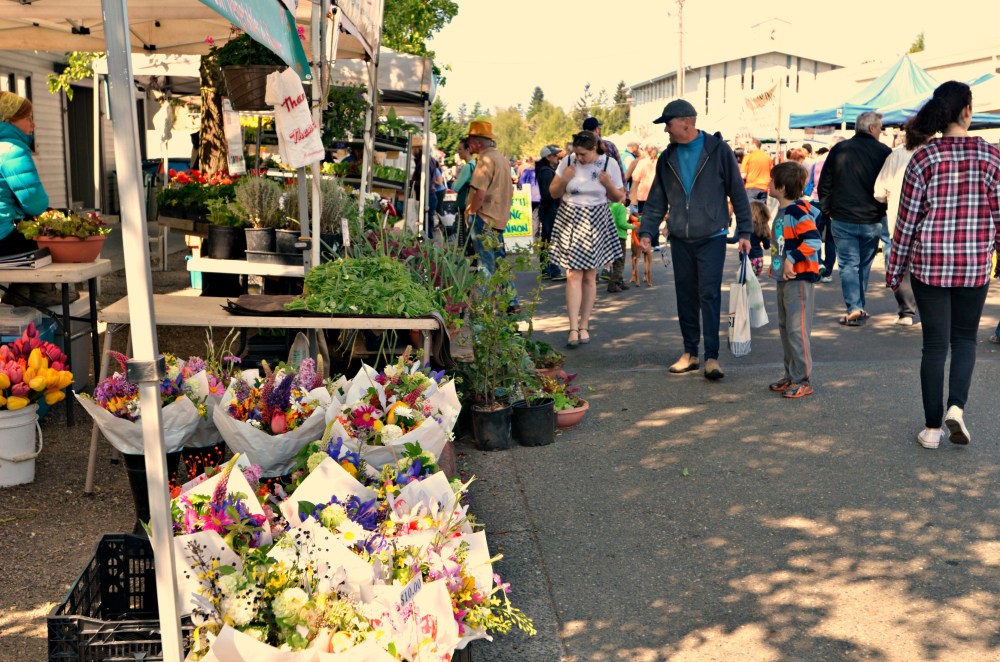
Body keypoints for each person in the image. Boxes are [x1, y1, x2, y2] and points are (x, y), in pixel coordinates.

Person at [886, 81, 1000, 450]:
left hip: (929, 266)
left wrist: (894, 270)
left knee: (934, 345)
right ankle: (956, 408)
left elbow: (906, 222)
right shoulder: (991, 156)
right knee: (965, 339)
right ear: (967, 111)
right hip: (973, 266)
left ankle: (932, 429)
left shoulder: (923, 157)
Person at [638, 99, 752, 379]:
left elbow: (737, 191)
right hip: (680, 239)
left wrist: (746, 231)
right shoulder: (667, 158)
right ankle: (690, 353)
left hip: (712, 236)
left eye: (668, 123)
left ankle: (712, 357)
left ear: (686, 122)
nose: (666, 129)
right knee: (685, 296)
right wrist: (646, 232)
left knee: (709, 295)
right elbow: (655, 201)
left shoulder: (717, 151)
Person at [548, 130, 625, 348]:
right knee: (573, 275)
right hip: (571, 217)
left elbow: (620, 197)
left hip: (597, 218)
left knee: (590, 276)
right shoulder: (568, 161)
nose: (579, 158)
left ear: (594, 149)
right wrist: (564, 179)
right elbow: (553, 193)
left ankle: (584, 325)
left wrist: (608, 184)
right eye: (576, 153)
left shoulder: (609, 163)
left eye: (583, 154)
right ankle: (572, 328)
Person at [818, 111, 890, 326]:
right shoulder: (885, 152)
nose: (881, 131)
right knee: (863, 265)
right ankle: (858, 307)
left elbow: (825, 183)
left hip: (842, 217)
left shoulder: (839, 149)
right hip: (872, 219)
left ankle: (854, 307)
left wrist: (827, 210)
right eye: (880, 127)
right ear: (871, 128)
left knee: (849, 265)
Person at [0, 92, 69, 306]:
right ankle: (43, 289)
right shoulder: (12, 150)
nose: (33, 124)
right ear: (9, 120)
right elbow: (35, 204)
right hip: (3, 239)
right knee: (62, 222)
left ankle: (19, 291)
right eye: (28, 118)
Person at [766, 162, 822, 399]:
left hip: (798, 278)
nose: (767, 185)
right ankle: (792, 375)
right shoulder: (783, 211)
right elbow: (781, 241)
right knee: (785, 328)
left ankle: (802, 379)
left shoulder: (797, 211)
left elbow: (813, 240)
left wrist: (791, 259)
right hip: (785, 277)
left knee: (797, 330)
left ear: (780, 186)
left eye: (771, 181)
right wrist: (777, 261)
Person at [873, 122, 927, 326]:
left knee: (903, 266)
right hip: (930, 224)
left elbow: (879, 191)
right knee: (926, 266)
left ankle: (906, 311)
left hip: (899, 219)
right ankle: (926, 310)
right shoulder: (935, 155)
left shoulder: (895, 156)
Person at [465, 121, 517, 307]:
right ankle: (511, 301)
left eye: (470, 140)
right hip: (499, 217)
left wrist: (471, 212)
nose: (468, 144)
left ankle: (485, 304)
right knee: (500, 261)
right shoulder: (501, 159)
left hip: (484, 216)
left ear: (477, 142)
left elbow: (480, 193)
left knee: (486, 263)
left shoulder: (485, 160)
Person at [535, 145, 564, 280]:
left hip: (546, 208)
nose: (557, 157)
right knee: (552, 239)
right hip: (549, 209)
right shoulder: (547, 172)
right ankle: (553, 269)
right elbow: (549, 193)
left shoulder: (544, 170)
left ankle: (546, 269)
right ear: (548, 157)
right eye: (554, 155)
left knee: (546, 240)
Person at [728, 201, 771, 277]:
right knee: (752, 283)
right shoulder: (764, 227)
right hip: (758, 260)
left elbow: (734, 240)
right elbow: (766, 246)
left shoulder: (743, 225)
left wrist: (722, 238)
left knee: (744, 284)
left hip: (745, 259)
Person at [582, 117, 626, 185]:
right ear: (597, 130)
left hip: (586, 189)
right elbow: (620, 173)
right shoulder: (610, 146)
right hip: (610, 189)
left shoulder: (579, 148)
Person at [453, 139, 476, 251]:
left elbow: (456, 187)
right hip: (473, 204)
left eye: (460, 149)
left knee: (464, 237)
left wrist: (454, 183)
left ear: (468, 150)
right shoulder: (475, 164)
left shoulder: (467, 167)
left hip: (465, 203)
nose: (458, 152)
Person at [608, 201, 631, 292]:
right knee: (620, 261)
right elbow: (622, 223)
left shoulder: (609, 206)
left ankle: (619, 281)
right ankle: (613, 283)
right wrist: (633, 227)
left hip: (610, 236)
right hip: (620, 236)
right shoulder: (621, 207)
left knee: (615, 260)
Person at [740, 138, 772, 202]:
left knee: (752, 210)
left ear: (754, 145)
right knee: (762, 210)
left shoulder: (748, 157)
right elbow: (772, 174)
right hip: (764, 188)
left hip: (751, 188)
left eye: (749, 145)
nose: (748, 147)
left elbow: (743, 175)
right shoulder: (767, 157)